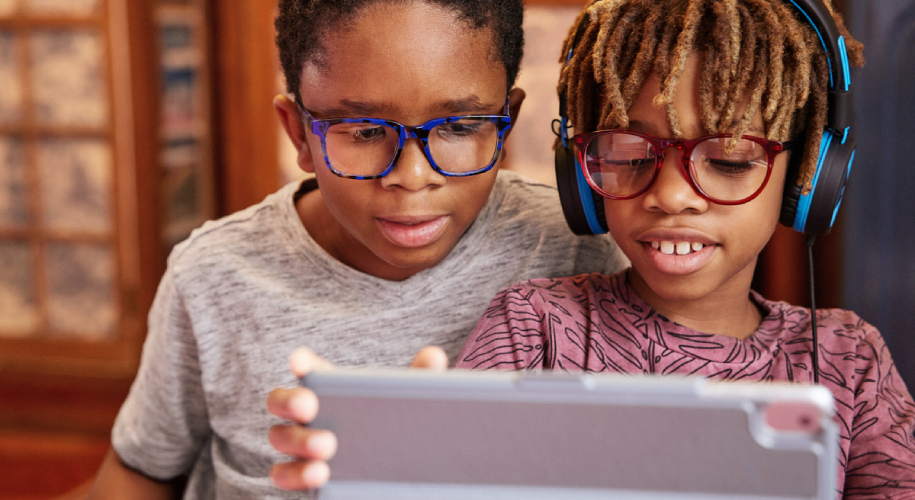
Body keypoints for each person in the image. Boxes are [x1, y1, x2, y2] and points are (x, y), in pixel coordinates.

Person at [84, 0, 629, 498]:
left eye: (461, 126)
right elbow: (140, 471)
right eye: (365, 131)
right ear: (299, 133)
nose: (413, 177)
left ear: (504, 125)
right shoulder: (211, 276)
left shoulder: (574, 250)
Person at [455, 0, 915, 496]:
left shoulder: (850, 361)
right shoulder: (533, 328)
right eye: (627, 152)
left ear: (808, 175)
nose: (671, 195)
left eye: (729, 157)